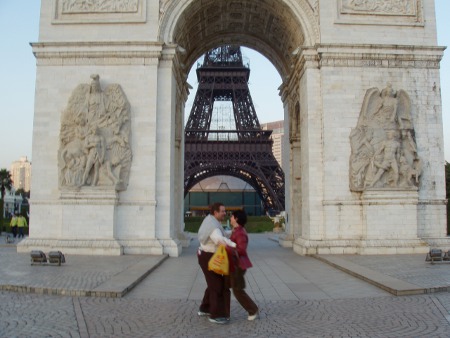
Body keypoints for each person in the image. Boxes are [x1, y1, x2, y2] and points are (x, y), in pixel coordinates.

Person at [197, 202, 236, 324]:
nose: (225, 213)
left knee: (212, 283)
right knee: (217, 284)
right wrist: (235, 245)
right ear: (215, 213)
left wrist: (231, 233)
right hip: (208, 257)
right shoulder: (213, 226)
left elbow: (221, 234)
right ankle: (216, 314)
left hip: (207, 255)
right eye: (223, 211)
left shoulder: (211, 221)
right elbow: (219, 239)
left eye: (225, 211)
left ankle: (205, 308)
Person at [227, 210, 259, 321]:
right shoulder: (237, 230)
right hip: (234, 264)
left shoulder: (240, 232)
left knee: (237, 290)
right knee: (231, 287)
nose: (230, 218)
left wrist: (226, 247)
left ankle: (253, 310)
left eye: (232, 216)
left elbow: (241, 250)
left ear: (236, 219)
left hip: (238, 265)